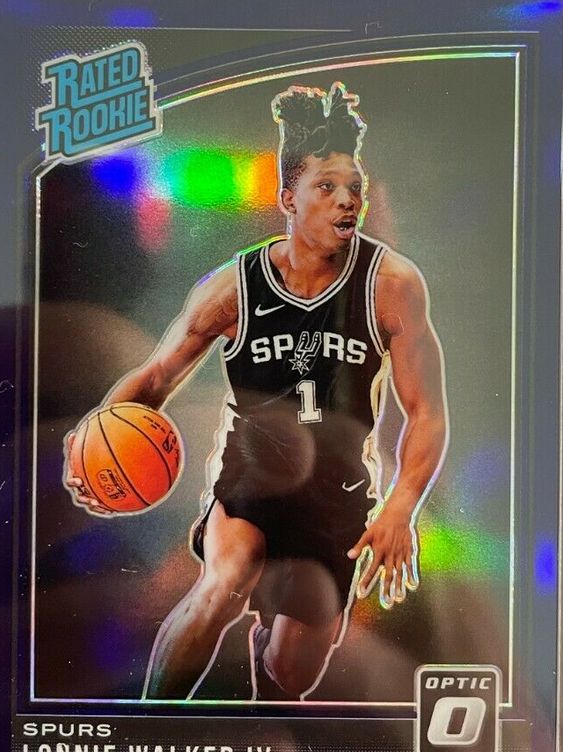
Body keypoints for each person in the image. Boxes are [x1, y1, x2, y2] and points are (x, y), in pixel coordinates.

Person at [66, 82, 448, 701]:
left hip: (337, 496)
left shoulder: (392, 285)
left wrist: (401, 506)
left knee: (293, 671)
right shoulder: (234, 287)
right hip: (255, 475)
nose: (347, 200)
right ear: (288, 198)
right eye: (327, 187)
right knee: (225, 579)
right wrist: (95, 443)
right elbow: (157, 378)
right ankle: (151, 722)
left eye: (354, 187)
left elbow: (426, 411)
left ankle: (266, 662)